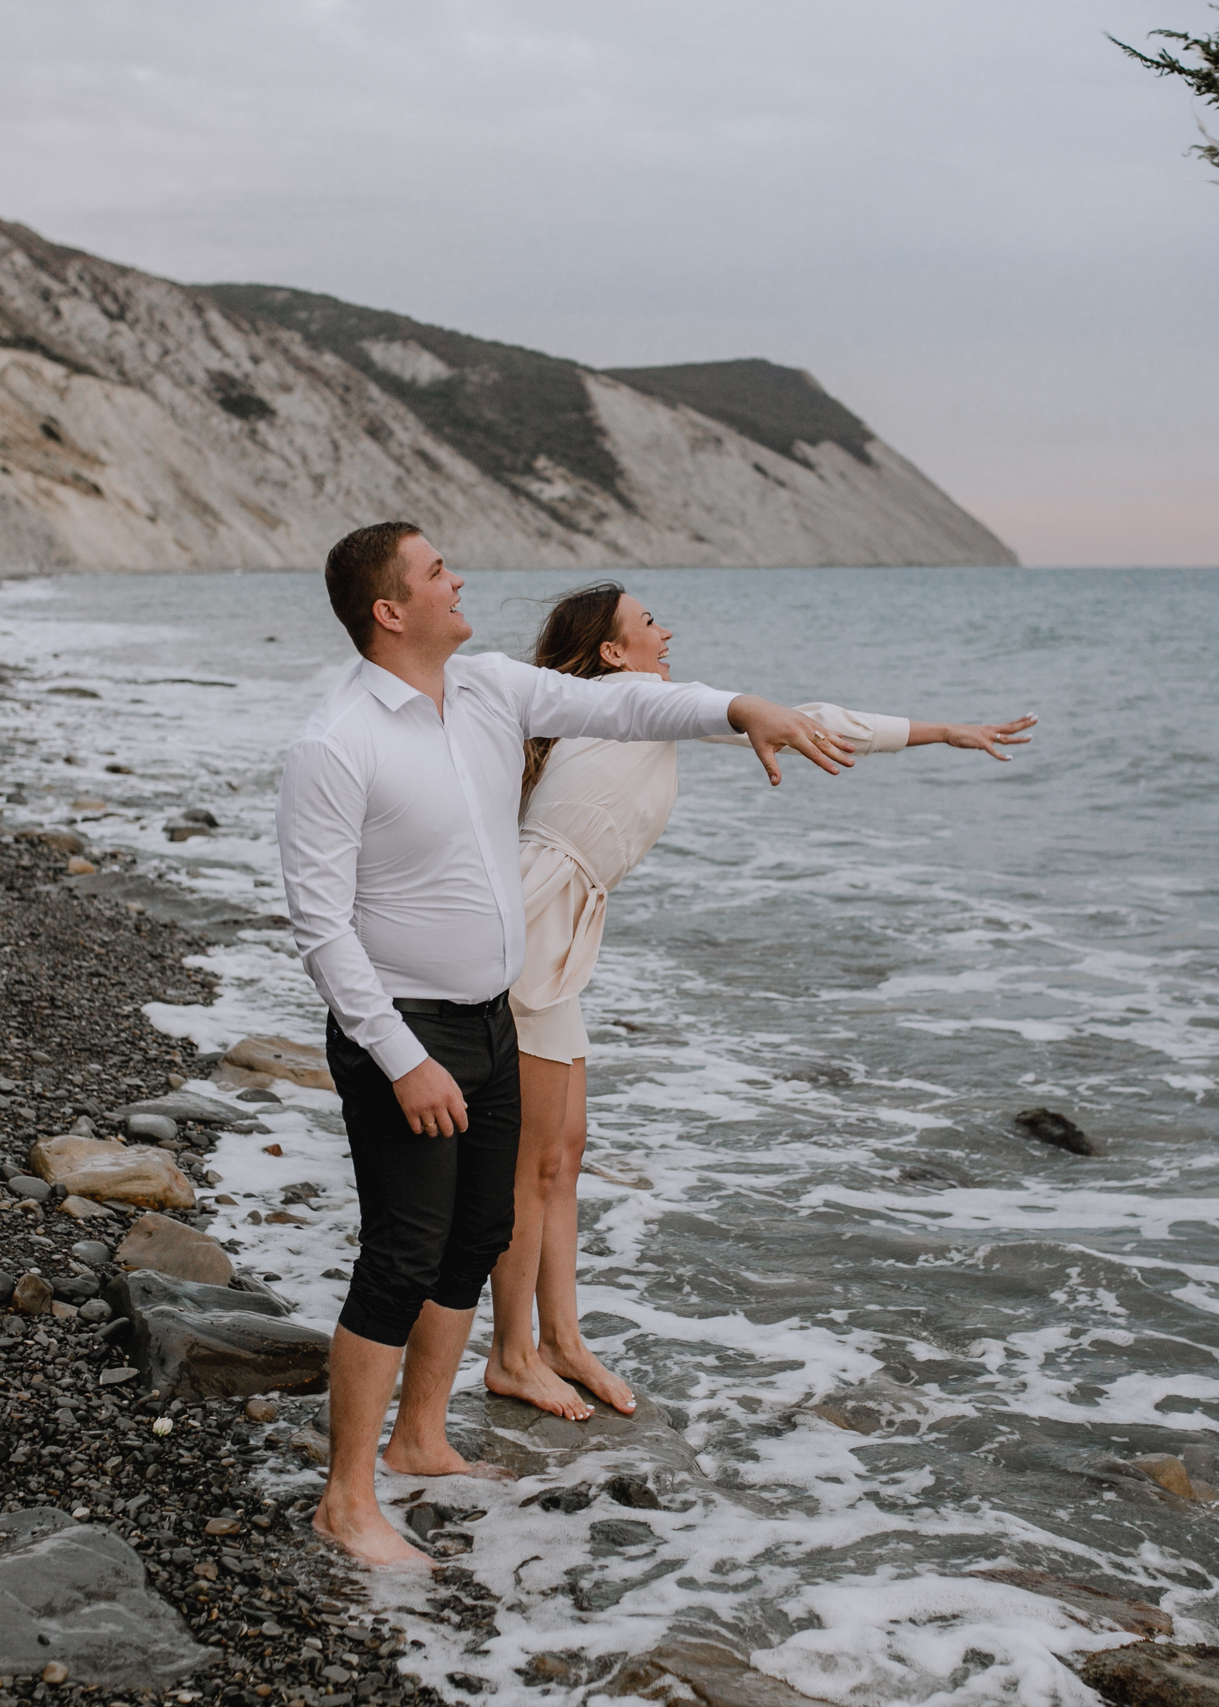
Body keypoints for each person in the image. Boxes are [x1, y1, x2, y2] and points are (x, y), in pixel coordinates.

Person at [276, 523, 857, 1568]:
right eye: (437, 572)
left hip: (497, 1020)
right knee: (401, 1255)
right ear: (390, 610)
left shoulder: (493, 688)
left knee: (472, 1238)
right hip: (403, 1032)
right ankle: (346, 1499)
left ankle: (420, 1438)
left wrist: (740, 706)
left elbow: (625, 701)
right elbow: (319, 927)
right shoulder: (337, 742)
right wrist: (401, 1058)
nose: (461, 580)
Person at [484, 581, 1035, 1421]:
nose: (667, 631)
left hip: (559, 931)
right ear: (611, 653)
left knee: (565, 1155)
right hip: (531, 930)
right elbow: (728, 707)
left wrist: (939, 732)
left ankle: (560, 1340)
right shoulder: (623, 697)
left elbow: (806, 716)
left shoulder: (623, 706)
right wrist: (748, 710)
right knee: (531, 1167)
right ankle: (512, 1354)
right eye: (648, 623)